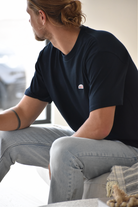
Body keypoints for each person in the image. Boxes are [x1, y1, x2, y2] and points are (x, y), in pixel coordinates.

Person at [0, 0, 138, 204]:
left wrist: (61, 151)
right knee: (6, 139)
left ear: (42, 16)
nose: (28, 20)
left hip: (129, 147)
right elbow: (24, 114)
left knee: (63, 150)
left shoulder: (101, 48)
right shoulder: (48, 58)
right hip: (91, 144)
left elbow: (101, 125)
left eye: (29, 14)